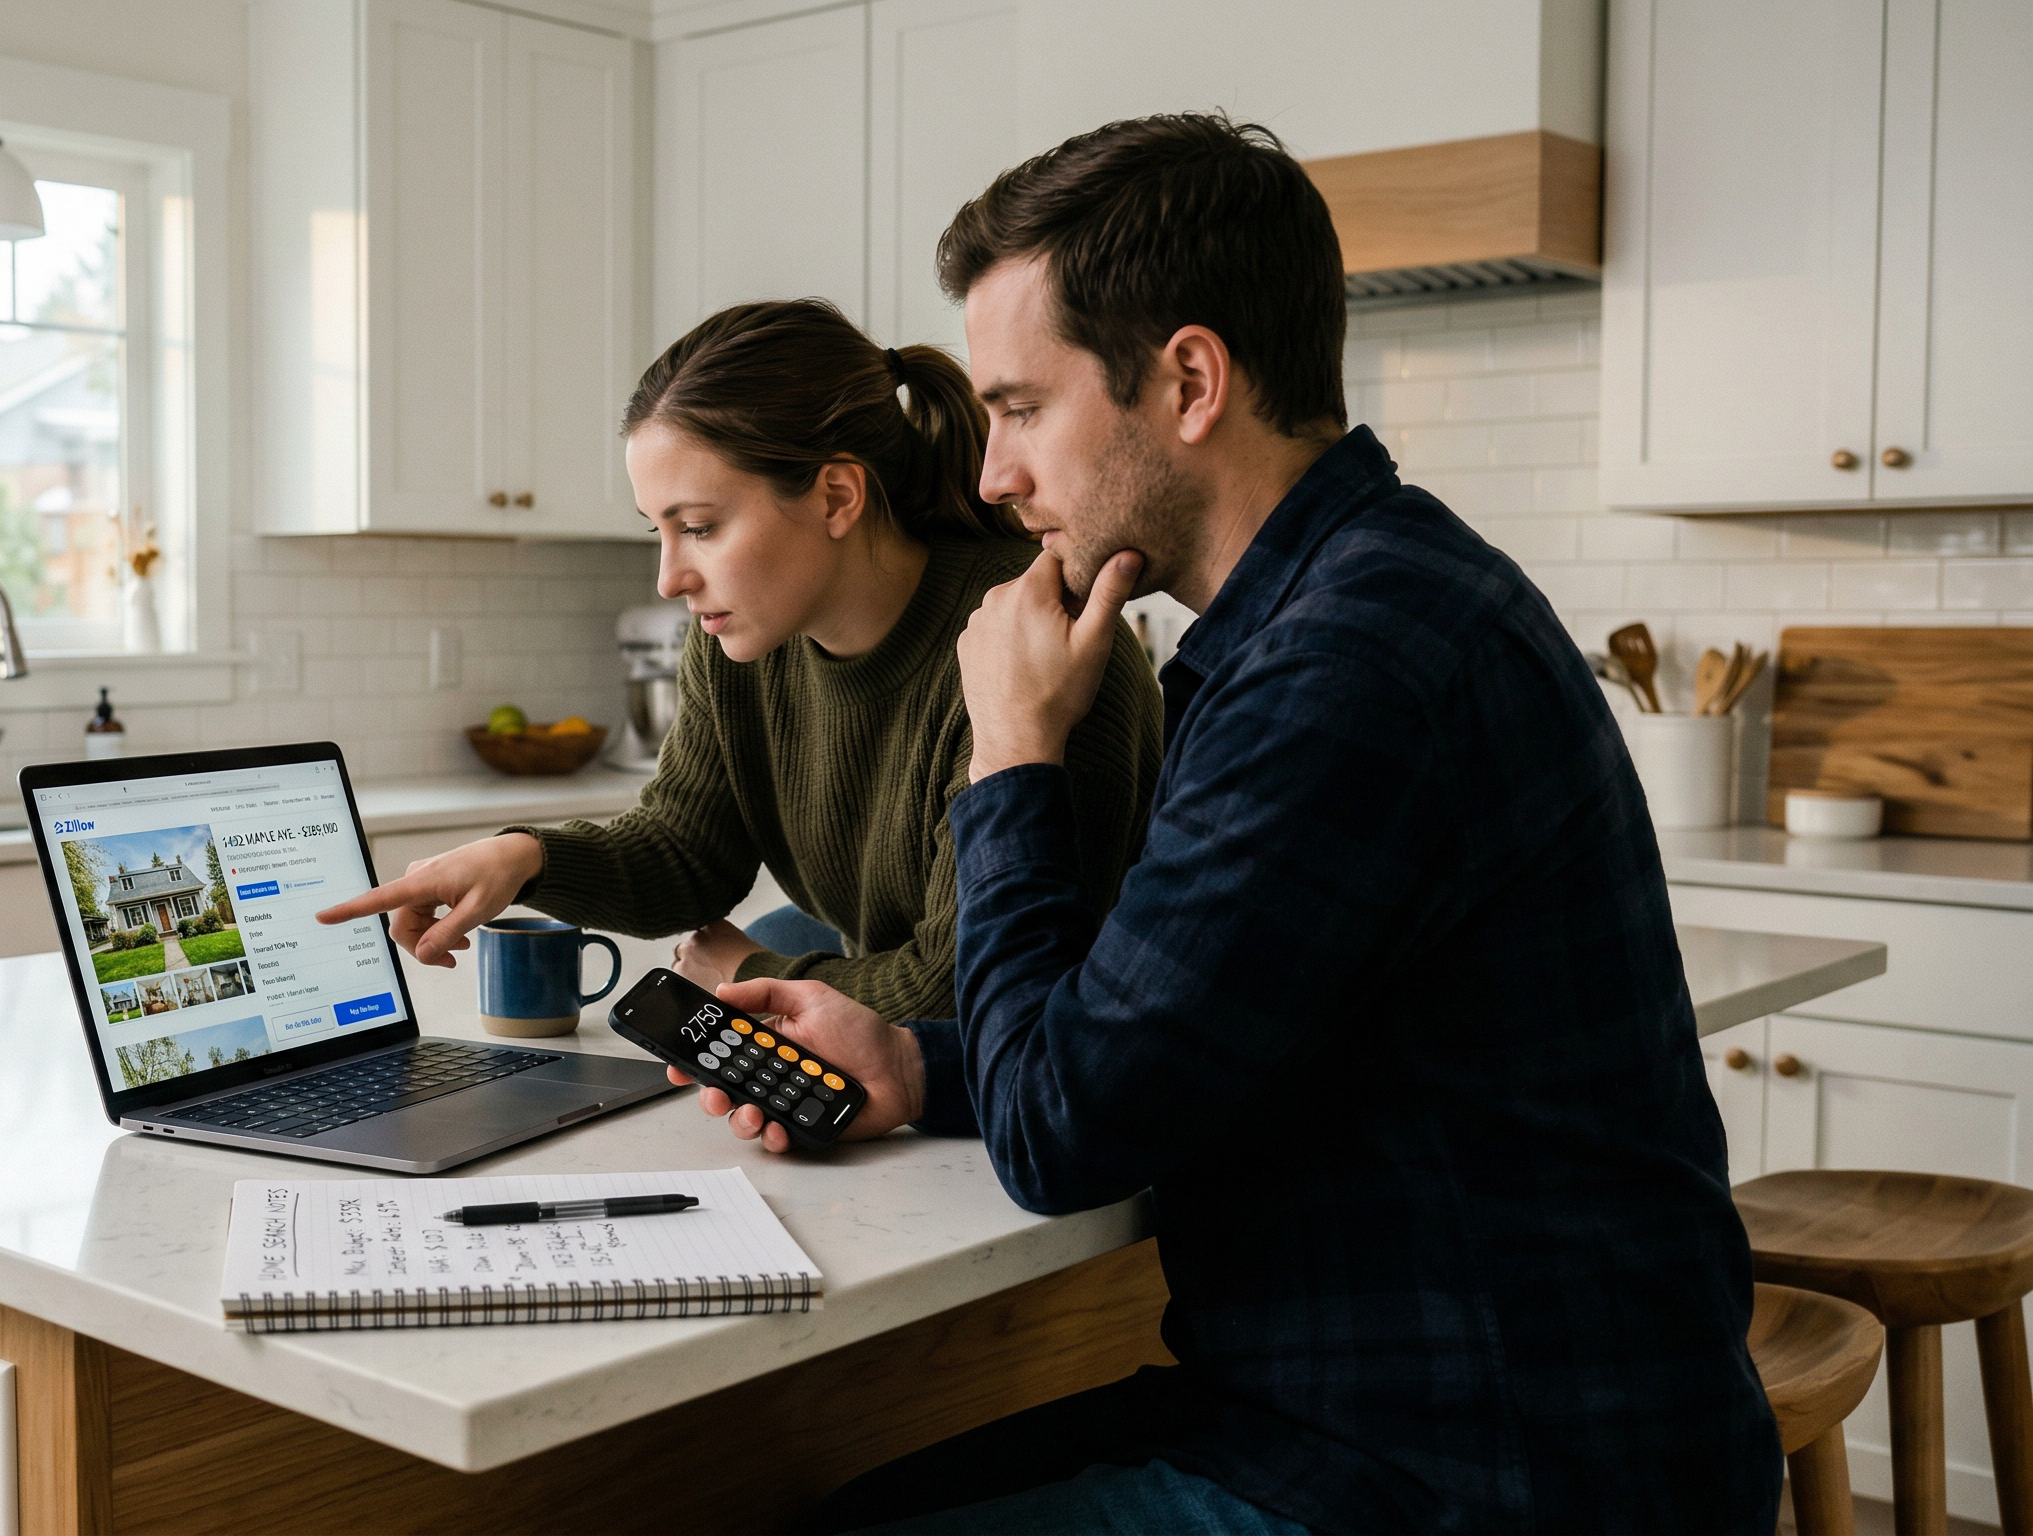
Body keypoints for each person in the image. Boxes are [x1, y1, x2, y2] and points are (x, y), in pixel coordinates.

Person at [677, 116, 1783, 1535]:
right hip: (1361, 1410)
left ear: (1190, 383)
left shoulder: (1346, 667)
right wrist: (909, 1061)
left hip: (1482, 1472)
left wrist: (1009, 752)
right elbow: (1165, 1041)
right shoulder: (1343, 608)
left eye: (1021, 407)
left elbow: (1066, 1137)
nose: (994, 473)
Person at [318, 299, 1162, 1023]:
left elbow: (965, 990)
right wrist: (525, 858)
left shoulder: (1032, 648)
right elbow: (687, 853)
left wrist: (750, 973)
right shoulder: (741, 641)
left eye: (701, 526)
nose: (670, 578)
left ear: (837, 496)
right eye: (660, 530)